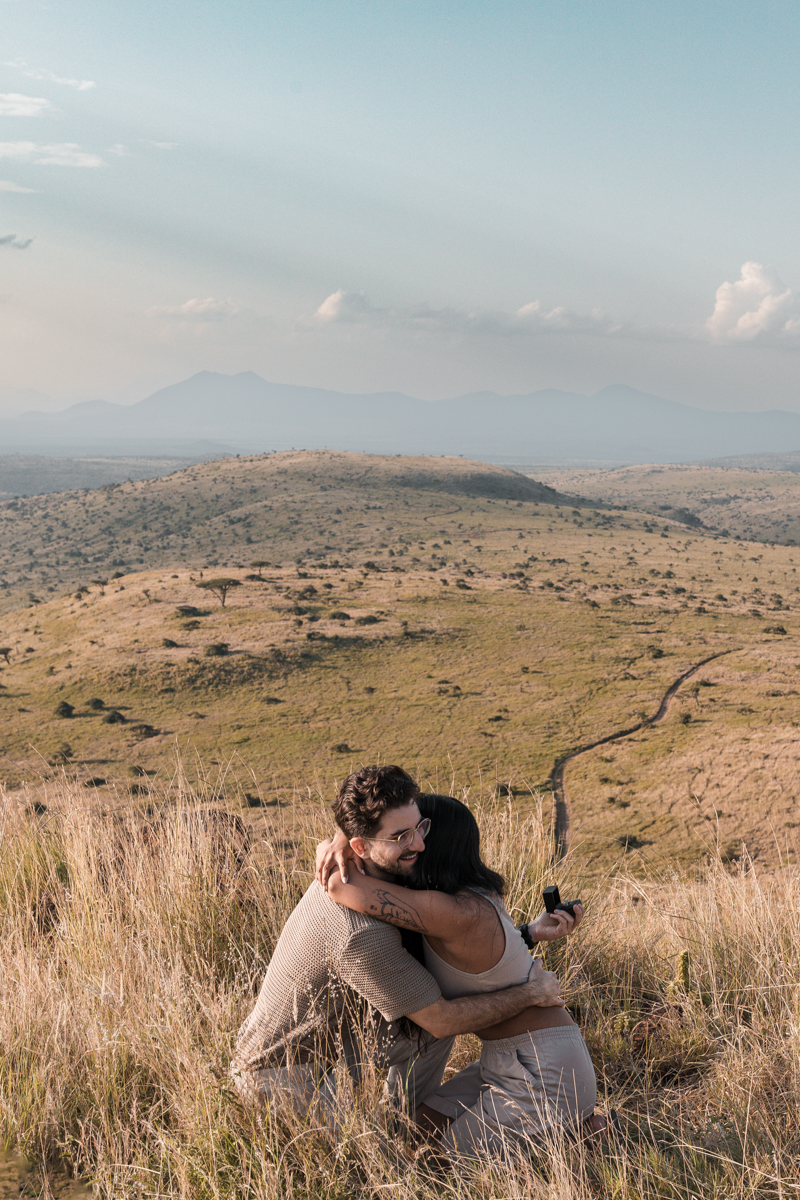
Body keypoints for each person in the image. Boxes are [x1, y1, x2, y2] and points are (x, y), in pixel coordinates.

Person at [230, 766, 567, 1129]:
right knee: (372, 1174)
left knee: (426, 1019)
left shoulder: (370, 874)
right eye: (401, 836)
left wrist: (527, 934)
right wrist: (531, 993)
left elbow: (444, 959)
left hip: (334, 1047)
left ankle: (401, 1123)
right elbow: (441, 1019)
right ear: (362, 846)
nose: (419, 844)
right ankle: (400, 1133)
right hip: (283, 1077)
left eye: (420, 827)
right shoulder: (360, 931)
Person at [317, 791, 600, 1160]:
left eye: (419, 831)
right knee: (413, 1130)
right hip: (506, 1060)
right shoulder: (471, 894)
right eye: (405, 834)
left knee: (440, 1164)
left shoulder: (446, 910)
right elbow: (482, 964)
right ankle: (563, 1128)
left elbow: (340, 885)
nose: (411, 840)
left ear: (433, 845)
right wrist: (345, 838)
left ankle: (585, 1139)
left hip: (547, 1069)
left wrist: (348, 843)